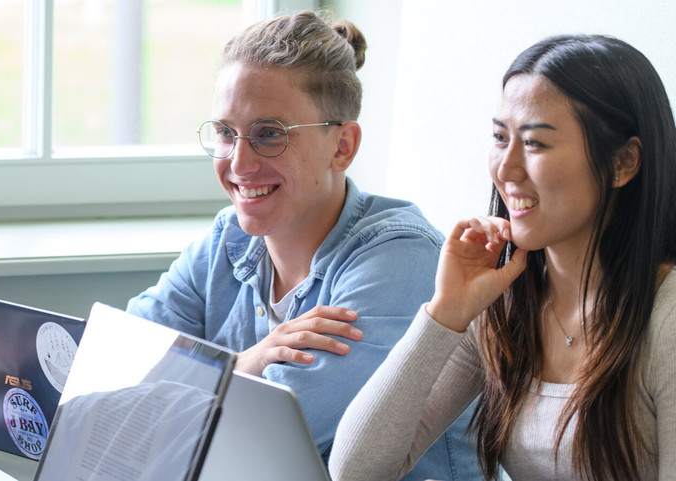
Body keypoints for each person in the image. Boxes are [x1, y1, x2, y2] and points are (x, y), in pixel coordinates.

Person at [126, 10, 479, 480]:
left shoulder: (400, 260)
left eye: (269, 134)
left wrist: (192, 378)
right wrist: (247, 364)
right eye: (226, 133)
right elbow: (120, 370)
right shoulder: (224, 240)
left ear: (343, 147)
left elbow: (255, 449)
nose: (239, 162)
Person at [329, 33, 676, 481]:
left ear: (623, 162)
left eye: (535, 144)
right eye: (499, 137)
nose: (506, 170)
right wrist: (444, 313)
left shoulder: (666, 321)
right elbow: (356, 469)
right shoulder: (504, 305)